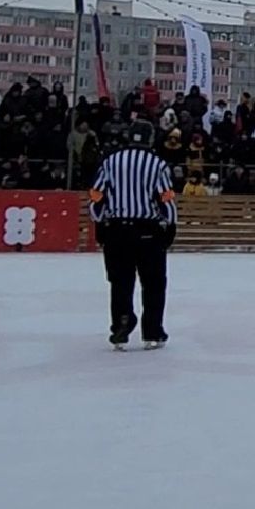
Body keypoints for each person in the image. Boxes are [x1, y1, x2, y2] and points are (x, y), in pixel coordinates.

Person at [90, 128, 177, 351]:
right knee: (154, 284)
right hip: (147, 230)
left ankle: (122, 323)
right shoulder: (157, 164)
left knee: (120, 282)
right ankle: (153, 332)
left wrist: (98, 218)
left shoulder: (110, 161)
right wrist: (171, 224)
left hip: (117, 230)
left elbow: (97, 193)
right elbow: (166, 197)